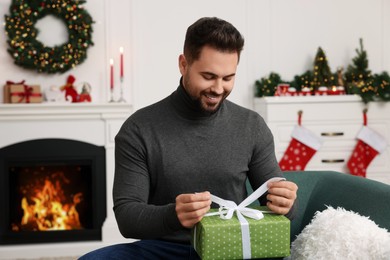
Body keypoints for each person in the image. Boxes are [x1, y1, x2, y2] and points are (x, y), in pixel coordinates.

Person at [80, 16, 298, 259]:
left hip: (230, 247)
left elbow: (278, 203)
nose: (218, 89)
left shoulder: (251, 125)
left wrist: (286, 203)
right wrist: (174, 215)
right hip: (163, 249)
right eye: (208, 76)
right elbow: (127, 217)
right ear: (183, 64)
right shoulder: (138, 129)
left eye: (228, 78)